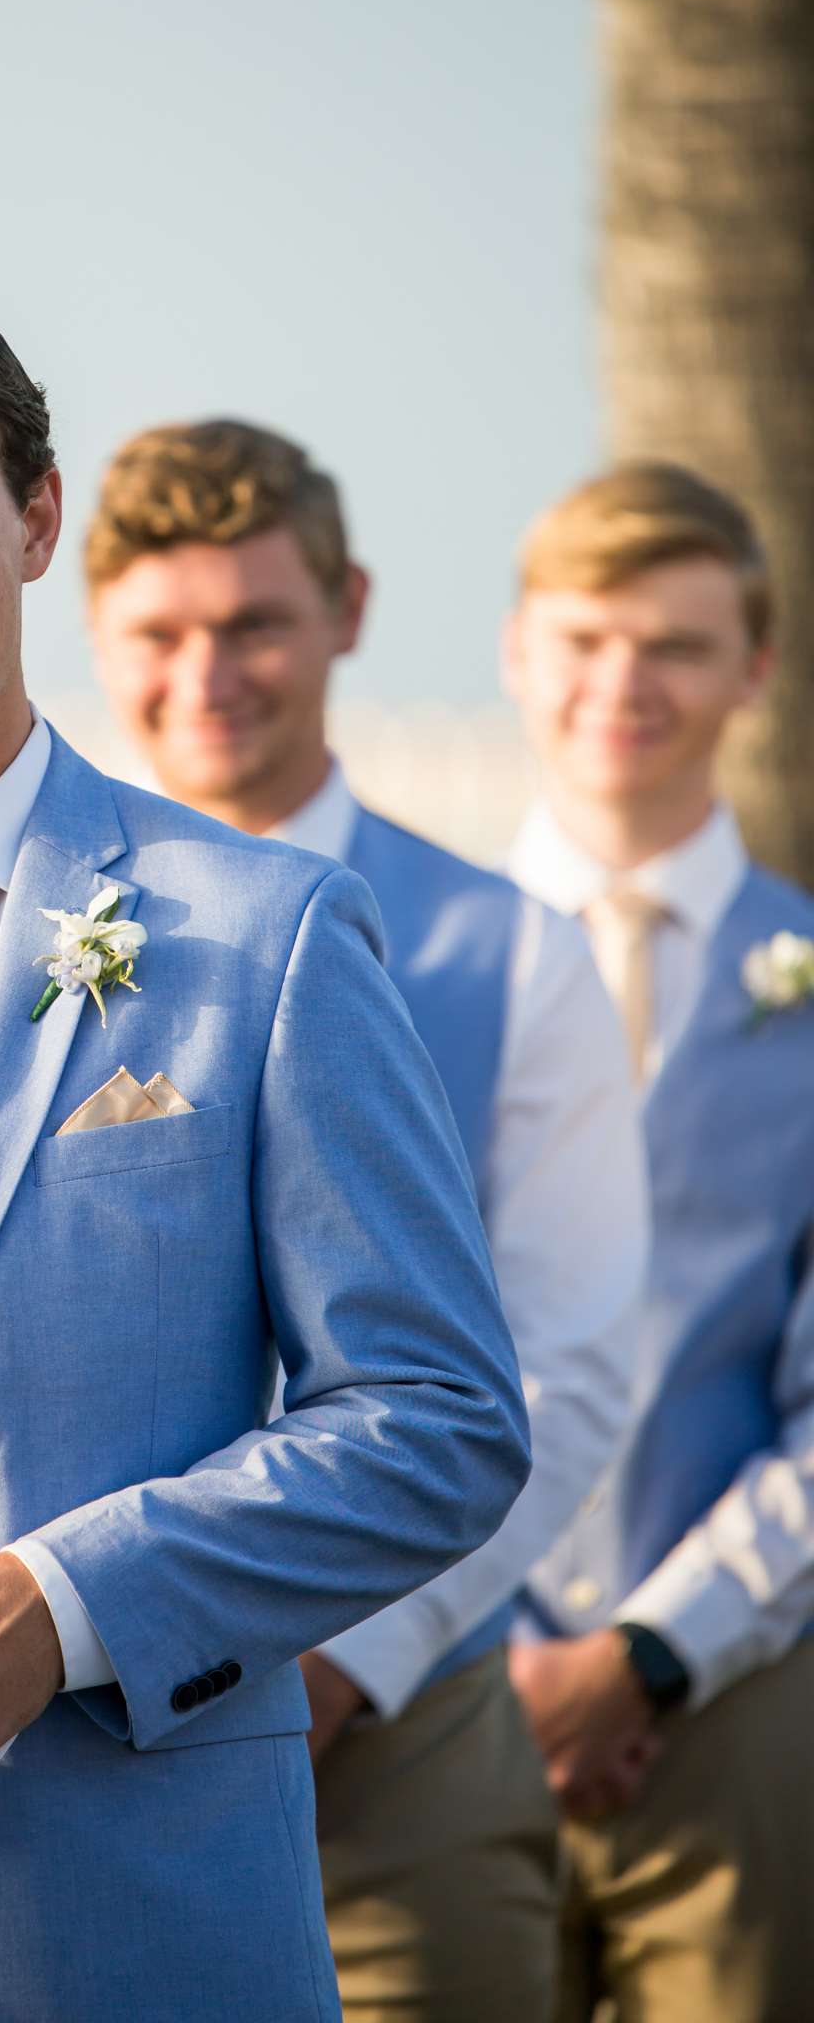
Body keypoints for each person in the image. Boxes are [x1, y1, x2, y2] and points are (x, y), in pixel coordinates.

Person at [0, 271, 531, 2023]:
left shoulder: (275, 930)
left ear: (33, 522)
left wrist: (69, 1605)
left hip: (143, 1933)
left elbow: (441, 1420)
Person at [84, 418, 648, 2023]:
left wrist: (345, 1661)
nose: (211, 674)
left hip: (407, 1733)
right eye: (161, 634)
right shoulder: (26, 925)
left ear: (350, 609)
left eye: (257, 623)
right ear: (97, 631)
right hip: (77, 1727)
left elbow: (572, 1361)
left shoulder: (515, 952)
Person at [503, 461, 814, 2023]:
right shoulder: (385, 953)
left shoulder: (808, 988)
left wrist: (652, 1651)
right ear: (516, 654)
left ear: (753, 669)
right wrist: (471, 1643)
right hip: (428, 1690)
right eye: (584, 639)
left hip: (744, 1699)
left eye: (678, 646)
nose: (623, 684)